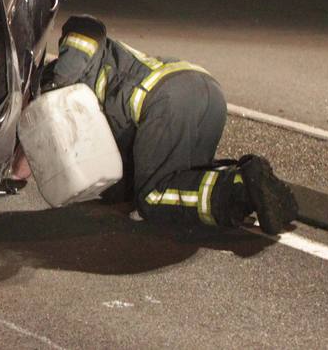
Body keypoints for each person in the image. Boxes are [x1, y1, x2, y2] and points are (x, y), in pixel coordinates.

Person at [39, 16, 297, 234]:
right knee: (184, 182)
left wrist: (55, 85)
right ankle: (255, 181)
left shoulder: (71, 69)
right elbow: (118, 173)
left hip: (166, 100)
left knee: (153, 198)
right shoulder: (93, 111)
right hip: (206, 93)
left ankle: (241, 189)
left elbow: (85, 27)